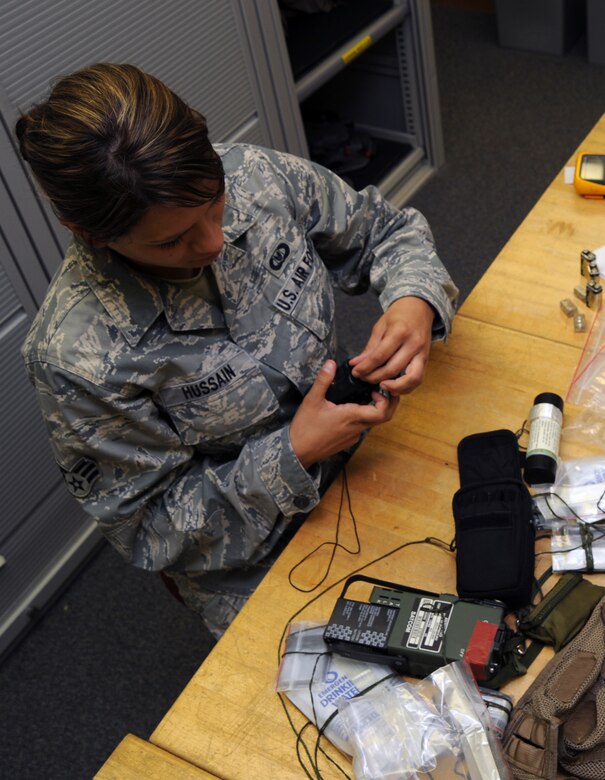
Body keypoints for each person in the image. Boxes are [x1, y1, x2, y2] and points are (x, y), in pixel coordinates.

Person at [17, 63, 458, 638]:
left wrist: (412, 302)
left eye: (214, 203)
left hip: (372, 447)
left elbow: (387, 232)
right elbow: (152, 531)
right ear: (86, 230)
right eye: (172, 239)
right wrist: (292, 453)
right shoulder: (75, 356)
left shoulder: (255, 176)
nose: (214, 241)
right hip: (258, 555)